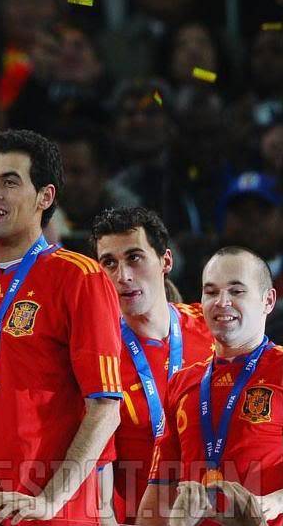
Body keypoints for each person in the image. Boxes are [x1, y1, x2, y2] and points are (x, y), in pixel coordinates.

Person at [0, 129, 123, 526]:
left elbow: (105, 407)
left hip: (52, 515)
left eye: (10, 181)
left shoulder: (79, 277)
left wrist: (51, 500)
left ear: (45, 197)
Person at [138, 247, 283, 526]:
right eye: (211, 291)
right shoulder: (183, 382)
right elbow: (159, 493)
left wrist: (276, 501)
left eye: (236, 291)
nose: (222, 301)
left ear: (268, 300)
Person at [90, 207, 214, 524]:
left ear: (165, 262)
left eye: (134, 257)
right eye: (109, 263)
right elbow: (96, 484)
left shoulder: (213, 327)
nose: (123, 276)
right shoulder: (97, 356)